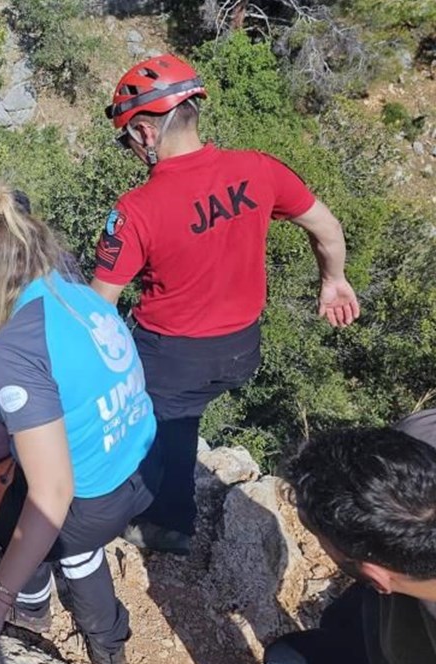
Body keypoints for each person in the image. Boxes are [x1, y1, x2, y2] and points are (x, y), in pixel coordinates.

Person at [90, 54, 361, 554]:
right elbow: (325, 227)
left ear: (147, 134)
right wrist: (334, 281)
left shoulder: (136, 211)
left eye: (128, 138)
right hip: (241, 348)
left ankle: (162, 522)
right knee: (183, 414)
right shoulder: (258, 170)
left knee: (147, 425)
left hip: (172, 355)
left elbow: (99, 308)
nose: (130, 148)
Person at [0, 185, 156, 664]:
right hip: (143, 460)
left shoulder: (13, 347)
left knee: (36, 526)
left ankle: (30, 610)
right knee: (61, 527)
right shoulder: (75, 292)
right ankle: (109, 654)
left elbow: (55, 490)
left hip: (95, 493)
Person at [263, 410, 436, 664]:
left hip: (400, 660)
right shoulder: (420, 443)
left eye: (317, 535)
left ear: (375, 576)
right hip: (383, 616)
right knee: (338, 621)